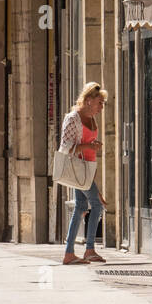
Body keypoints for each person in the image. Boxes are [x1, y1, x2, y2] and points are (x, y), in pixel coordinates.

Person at [61, 82, 108, 265]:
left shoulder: (92, 119)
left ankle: (69, 253)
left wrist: (92, 148)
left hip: (86, 169)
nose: (101, 107)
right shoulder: (73, 118)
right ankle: (89, 249)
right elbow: (65, 147)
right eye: (99, 103)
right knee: (96, 205)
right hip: (76, 168)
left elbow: (88, 149)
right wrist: (90, 145)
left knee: (81, 207)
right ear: (88, 101)